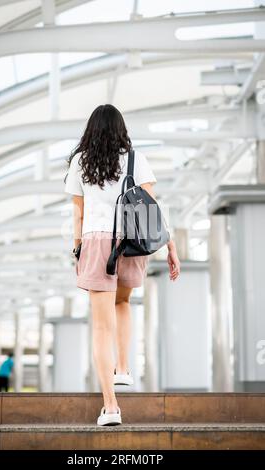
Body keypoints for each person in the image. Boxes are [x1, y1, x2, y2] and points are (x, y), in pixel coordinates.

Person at [64, 104, 180, 426]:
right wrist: (170, 245)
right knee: (123, 301)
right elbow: (153, 207)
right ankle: (124, 368)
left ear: (91, 130)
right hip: (130, 241)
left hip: (97, 242)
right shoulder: (135, 158)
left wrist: (78, 250)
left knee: (100, 327)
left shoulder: (80, 162)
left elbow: (78, 213)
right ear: (121, 129)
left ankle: (111, 407)